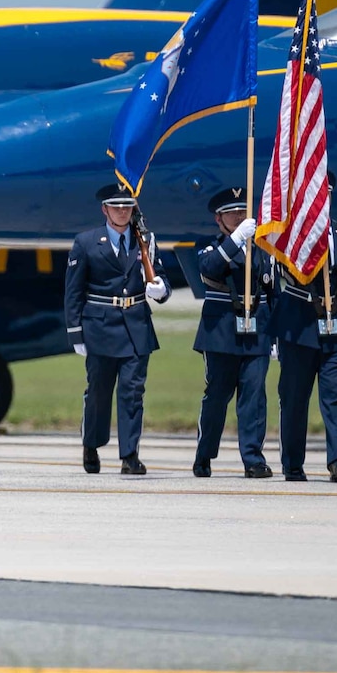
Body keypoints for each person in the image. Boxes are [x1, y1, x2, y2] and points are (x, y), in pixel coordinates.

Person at [65, 183, 170, 474]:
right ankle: (91, 444)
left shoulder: (145, 240)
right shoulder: (86, 242)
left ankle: (129, 455)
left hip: (136, 324)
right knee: (98, 391)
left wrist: (161, 290)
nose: (122, 211)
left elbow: (158, 275)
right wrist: (75, 332)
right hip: (99, 325)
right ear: (105, 209)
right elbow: (73, 291)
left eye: (127, 206)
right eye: (116, 206)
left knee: (132, 392)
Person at [268, 172, 337, 483]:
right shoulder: (290, 237)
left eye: (325, 193)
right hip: (298, 325)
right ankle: (292, 463)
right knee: (294, 398)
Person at [190, 187, 276, 479]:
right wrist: (236, 240)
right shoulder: (208, 245)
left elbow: (272, 291)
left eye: (243, 212)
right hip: (221, 332)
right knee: (217, 395)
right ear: (219, 219)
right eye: (232, 213)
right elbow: (210, 268)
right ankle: (205, 453)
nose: (239, 217)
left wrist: (274, 335)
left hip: (257, 332)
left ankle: (253, 458)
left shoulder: (263, 249)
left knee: (254, 396)